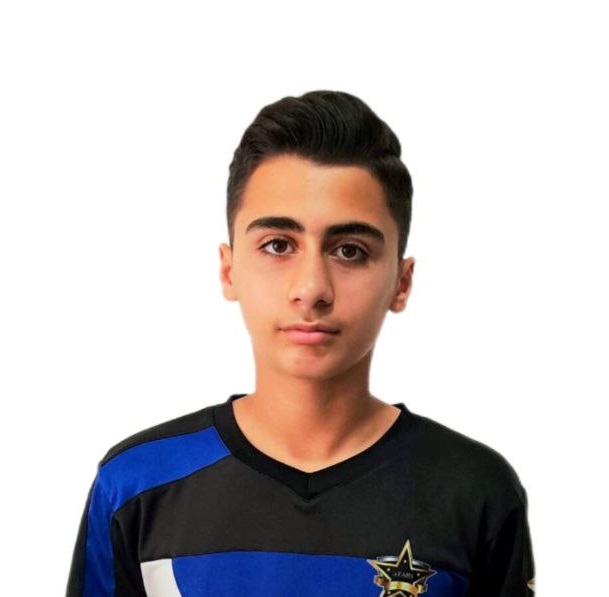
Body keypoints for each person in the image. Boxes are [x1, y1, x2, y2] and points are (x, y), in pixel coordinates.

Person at [66, 90, 535, 596]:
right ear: (229, 269)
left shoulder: (475, 492)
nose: (311, 288)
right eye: (278, 245)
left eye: (350, 251)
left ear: (401, 283)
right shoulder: (136, 485)